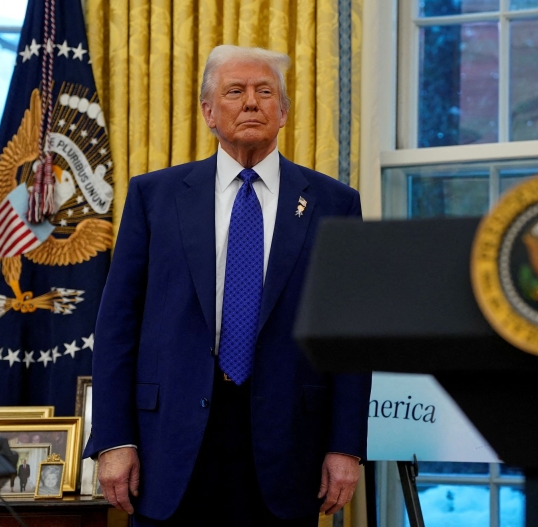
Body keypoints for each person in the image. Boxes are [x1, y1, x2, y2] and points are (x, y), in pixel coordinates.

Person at [84, 45, 371, 526]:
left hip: (287, 443)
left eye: (265, 92)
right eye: (235, 91)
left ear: (283, 111)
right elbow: (117, 324)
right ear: (208, 111)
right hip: (168, 441)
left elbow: (349, 338)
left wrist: (345, 447)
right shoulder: (155, 197)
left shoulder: (333, 203)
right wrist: (114, 439)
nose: (252, 103)